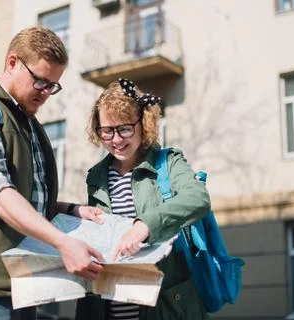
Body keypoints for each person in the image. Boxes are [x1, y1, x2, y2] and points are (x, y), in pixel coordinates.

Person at [0, 26, 105, 320]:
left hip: (24, 279)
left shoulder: (27, 123)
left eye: (53, 85)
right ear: (12, 63)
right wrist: (63, 242)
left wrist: (71, 210)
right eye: (40, 81)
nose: (46, 93)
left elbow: (30, 200)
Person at [75, 78, 211, 320]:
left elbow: (198, 198)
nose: (116, 140)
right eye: (107, 131)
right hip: (108, 306)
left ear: (143, 124)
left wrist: (145, 225)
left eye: (125, 129)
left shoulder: (168, 162)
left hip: (163, 308)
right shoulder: (96, 176)